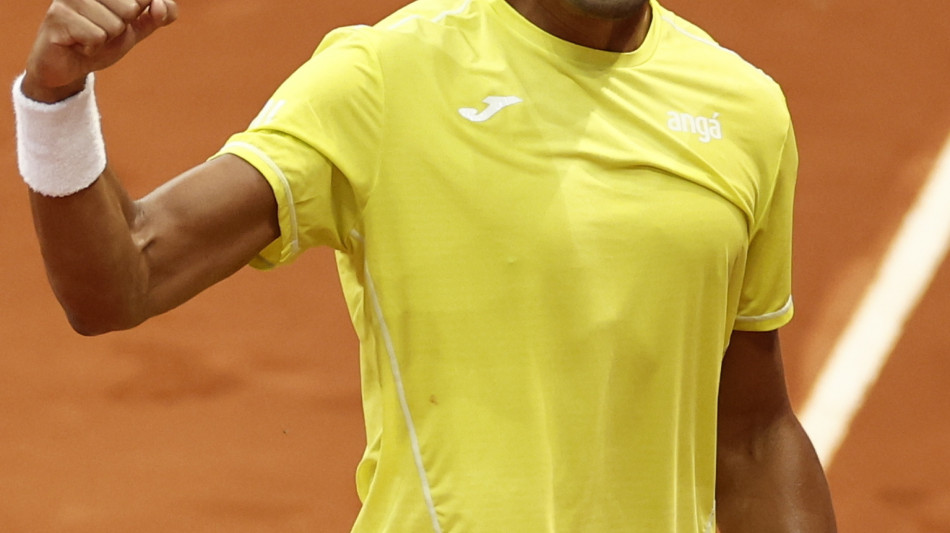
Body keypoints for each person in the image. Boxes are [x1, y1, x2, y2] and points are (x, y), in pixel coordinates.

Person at [13, 0, 837, 531]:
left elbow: (753, 430)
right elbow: (122, 279)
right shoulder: (386, 77)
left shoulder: (743, 112)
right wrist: (56, 98)